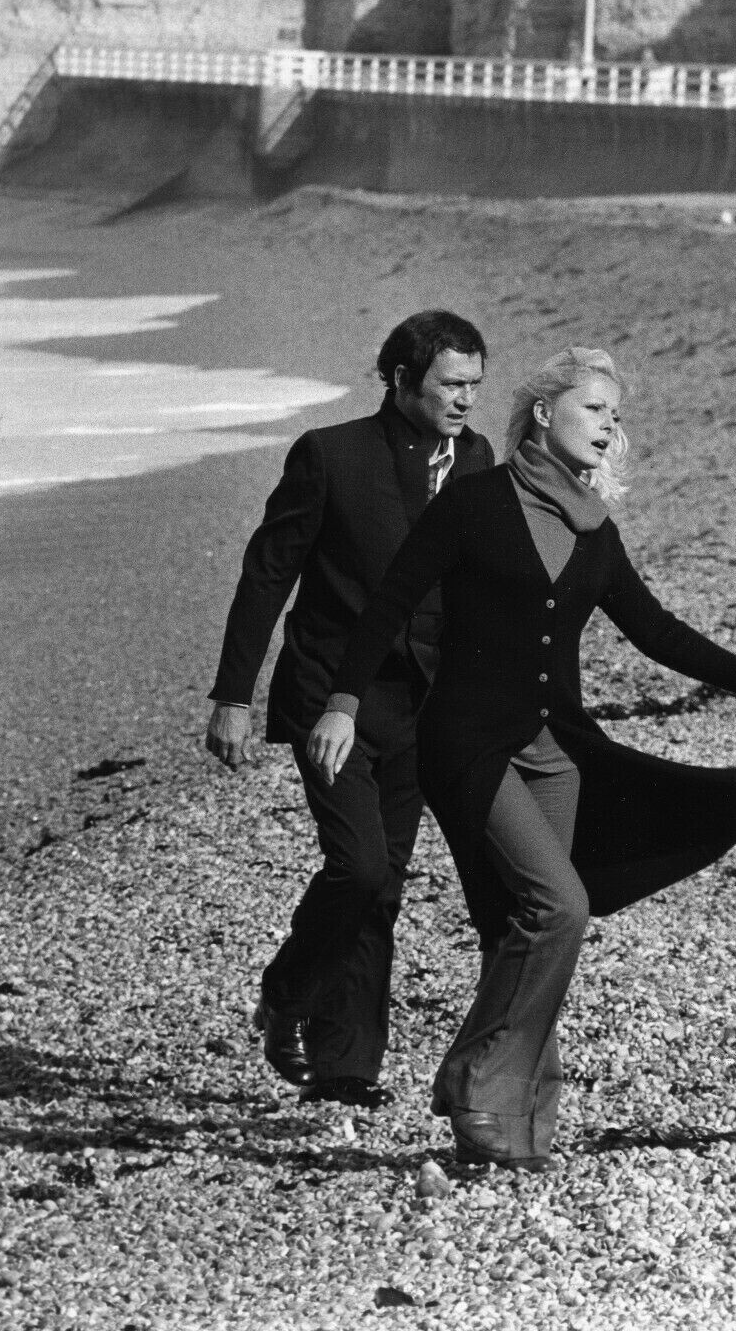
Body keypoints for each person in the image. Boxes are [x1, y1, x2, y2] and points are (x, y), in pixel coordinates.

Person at [307, 346, 736, 1167]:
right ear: (545, 414)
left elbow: (654, 629)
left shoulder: (593, 528)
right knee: (560, 908)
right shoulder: (473, 503)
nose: (610, 425)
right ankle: (476, 1075)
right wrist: (341, 705)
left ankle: (516, 1126)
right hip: (468, 747)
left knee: (514, 928)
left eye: (616, 414)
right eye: (595, 408)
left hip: (557, 755)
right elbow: (390, 605)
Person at [205, 310, 494, 1107]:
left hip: (420, 705)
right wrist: (233, 695)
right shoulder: (328, 455)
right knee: (359, 865)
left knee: (383, 884)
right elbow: (268, 574)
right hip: (327, 697)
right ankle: (288, 989)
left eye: (474, 385)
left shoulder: (475, 459)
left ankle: (344, 1068)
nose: (465, 399)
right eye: (450, 384)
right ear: (401, 380)